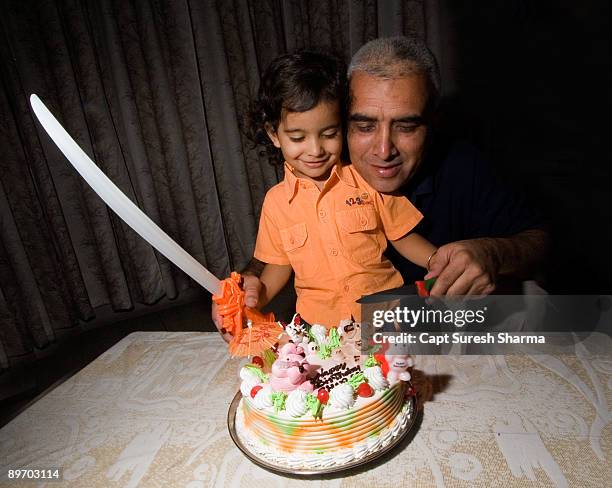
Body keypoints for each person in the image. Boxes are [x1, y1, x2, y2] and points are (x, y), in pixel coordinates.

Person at [213, 37, 548, 339]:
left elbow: (540, 244)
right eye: (364, 125)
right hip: (330, 332)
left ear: (433, 122)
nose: (384, 150)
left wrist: (483, 256)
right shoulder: (293, 189)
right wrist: (246, 289)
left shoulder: (466, 165)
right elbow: (275, 260)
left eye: (406, 125)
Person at [239, 50, 436, 328]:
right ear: (274, 135)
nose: (315, 150)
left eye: (329, 134)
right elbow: (279, 265)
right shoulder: (275, 203)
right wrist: (255, 296)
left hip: (386, 315)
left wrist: (438, 262)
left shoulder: (367, 178)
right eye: (298, 137)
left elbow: (402, 236)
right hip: (320, 325)